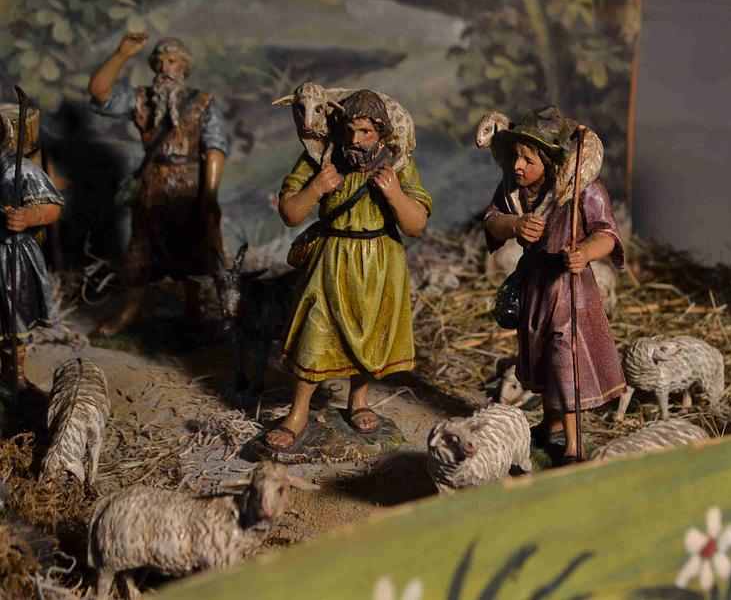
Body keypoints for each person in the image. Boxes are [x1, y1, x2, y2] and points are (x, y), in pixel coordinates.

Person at [264, 89, 431, 450]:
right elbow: (290, 213)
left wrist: (394, 194)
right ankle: (298, 413)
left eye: (365, 132)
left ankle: (359, 400)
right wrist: (316, 188)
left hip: (380, 262)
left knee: (369, 334)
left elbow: (416, 224)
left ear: (381, 133)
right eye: (350, 131)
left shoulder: (399, 163)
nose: (356, 140)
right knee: (314, 332)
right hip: (331, 258)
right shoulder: (321, 157)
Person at [484, 105, 625, 463]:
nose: (518, 165)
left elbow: (607, 234)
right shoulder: (513, 188)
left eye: (528, 160)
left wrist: (585, 253)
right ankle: (551, 424)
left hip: (569, 287)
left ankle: (575, 447)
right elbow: (492, 221)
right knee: (542, 356)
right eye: (516, 156)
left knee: (566, 359)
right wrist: (514, 225)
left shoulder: (583, 189)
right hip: (535, 283)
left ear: (549, 161)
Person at [88, 33, 229, 335]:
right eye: (159, 62)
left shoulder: (203, 103)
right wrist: (121, 54)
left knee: (197, 246)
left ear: (184, 66)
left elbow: (215, 147)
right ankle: (132, 307)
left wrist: (210, 195)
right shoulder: (142, 100)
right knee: (140, 250)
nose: (164, 68)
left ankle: (195, 309)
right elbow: (99, 92)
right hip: (151, 187)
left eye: (172, 61)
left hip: (190, 188)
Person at [0, 118, 63, 394]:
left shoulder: (19, 170)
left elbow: (52, 208)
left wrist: (28, 216)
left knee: (13, 321)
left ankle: (14, 376)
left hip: (9, 258)